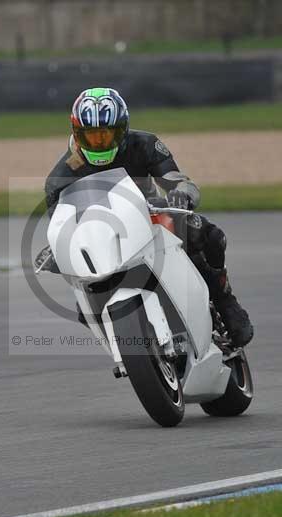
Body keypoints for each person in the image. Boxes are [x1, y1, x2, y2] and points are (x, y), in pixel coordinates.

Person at [43, 87, 253, 349]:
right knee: (82, 302)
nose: (100, 143)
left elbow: (180, 181)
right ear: (76, 133)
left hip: (150, 216)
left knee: (207, 234)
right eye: (92, 136)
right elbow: (61, 224)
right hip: (104, 238)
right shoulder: (61, 176)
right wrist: (58, 249)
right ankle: (124, 344)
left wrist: (180, 195)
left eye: (107, 135)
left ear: (123, 130)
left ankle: (226, 302)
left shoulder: (145, 144)